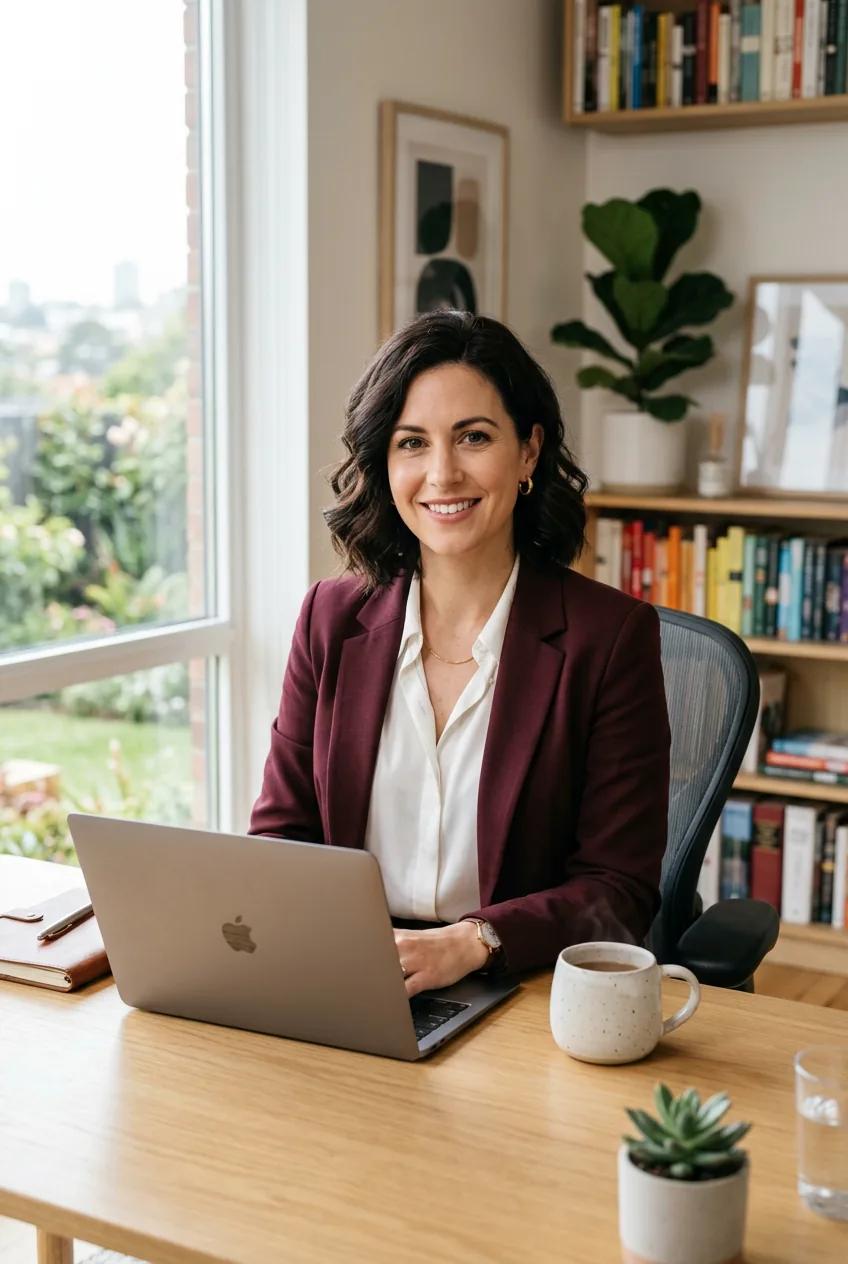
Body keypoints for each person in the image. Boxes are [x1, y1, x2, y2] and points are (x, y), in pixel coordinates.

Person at [250, 311, 670, 997]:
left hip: (520, 986)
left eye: (473, 437)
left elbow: (618, 889)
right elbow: (281, 832)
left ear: (529, 451)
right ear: (383, 463)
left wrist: (474, 942)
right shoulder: (330, 618)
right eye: (411, 443)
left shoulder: (609, 637)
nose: (442, 473)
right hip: (352, 975)